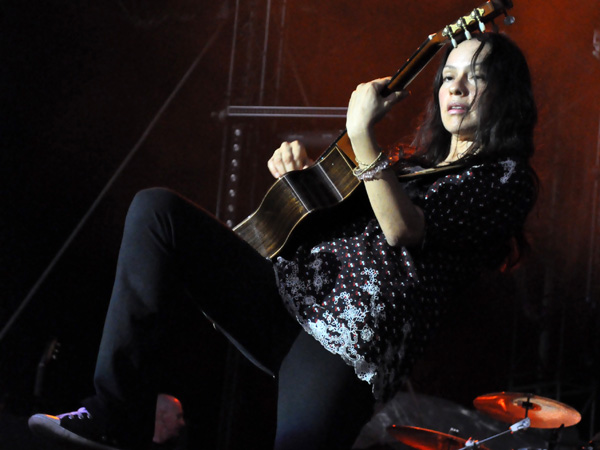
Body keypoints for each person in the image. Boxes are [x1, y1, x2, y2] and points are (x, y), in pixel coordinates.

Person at [28, 31, 538, 450]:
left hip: (342, 350)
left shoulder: (507, 178)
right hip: (285, 298)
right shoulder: (408, 165)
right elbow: (337, 225)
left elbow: (403, 230)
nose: (457, 87)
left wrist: (362, 137)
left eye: (477, 78)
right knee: (156, 210)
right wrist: (297, 182)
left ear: (506, 95)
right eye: (449, 76)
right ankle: (116, 416)